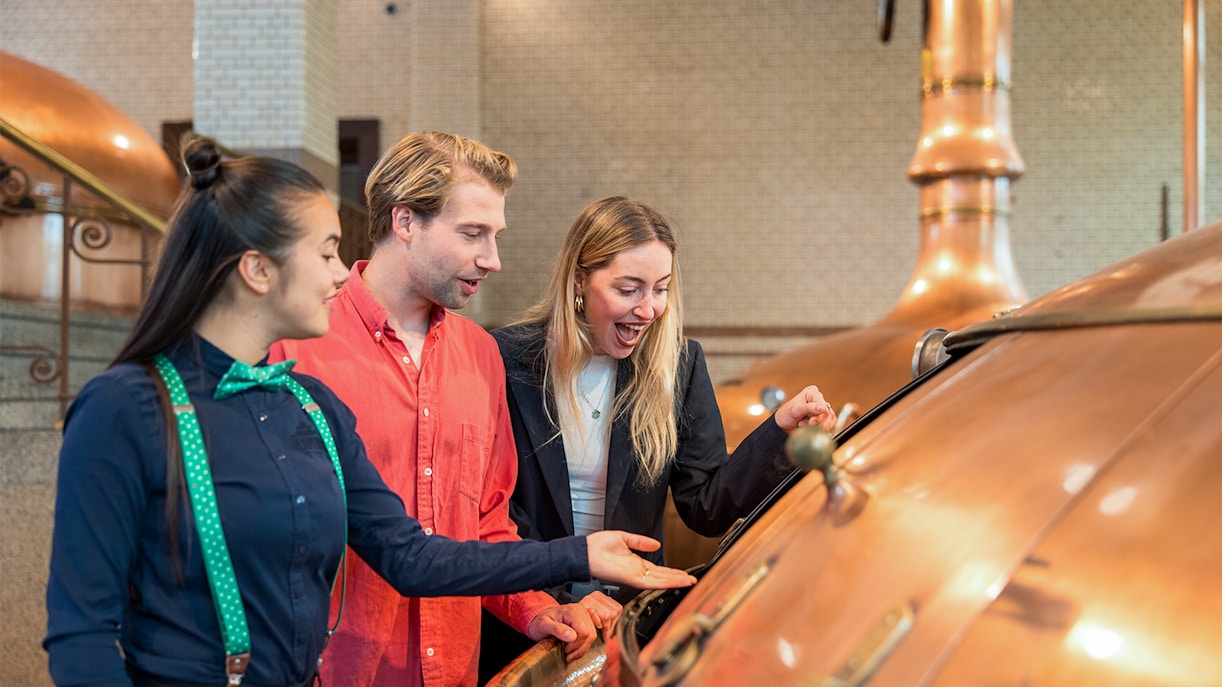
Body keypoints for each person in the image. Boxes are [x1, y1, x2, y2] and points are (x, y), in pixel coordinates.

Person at [43, 141, 695, 687]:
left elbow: (420, 554)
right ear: (257, 269)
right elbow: (87, 629)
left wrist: (562, 569)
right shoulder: (147, 400)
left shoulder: (313, 399)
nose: (337, 274)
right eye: (325, 252)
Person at [269, 131, 620, 687]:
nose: (493, 259)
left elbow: (486, 526)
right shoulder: (294, 345)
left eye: (495, 235)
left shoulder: (481, 354)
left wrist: (535, 608)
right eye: (472, 234)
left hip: (454, 667)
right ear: (405, 222)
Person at [480, 196, 837, 672]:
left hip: (628, 625)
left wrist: (779, 433)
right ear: (580, 281)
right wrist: (563, 598)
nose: (649, 310)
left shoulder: (679, 365)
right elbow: (497, 512)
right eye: (629, 289)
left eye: (661, 289)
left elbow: (707, 506)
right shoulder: (504, 358)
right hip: (529, 621)